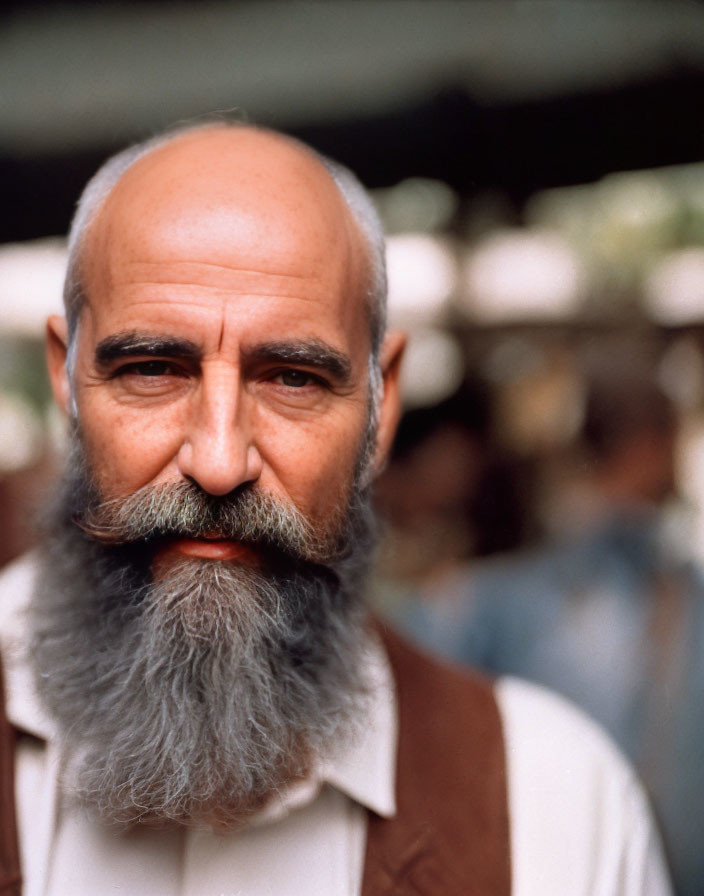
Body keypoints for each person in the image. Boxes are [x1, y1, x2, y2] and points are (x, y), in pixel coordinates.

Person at [0, 123, 672, 895]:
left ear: (382, 410)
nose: (219, 464)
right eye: (153, 368)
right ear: (65, 383)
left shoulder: (556, 812)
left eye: (292, 379)